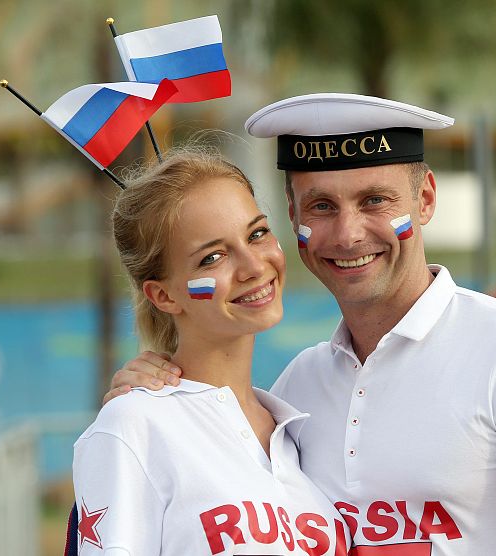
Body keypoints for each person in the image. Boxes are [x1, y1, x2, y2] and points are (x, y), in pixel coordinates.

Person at [106, 94, 496, 555]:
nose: (348, 235)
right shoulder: (293, 393)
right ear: (292, 215)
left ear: (426, 199)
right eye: (322, 206)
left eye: (375, 200)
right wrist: (147, 403)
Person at [70, 149, 350, 555]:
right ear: (163, 295)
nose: (254, 266)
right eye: (212, 257)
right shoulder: (134, 423)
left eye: (256, 234)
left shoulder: (293, 428)